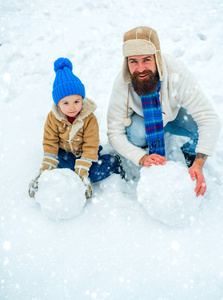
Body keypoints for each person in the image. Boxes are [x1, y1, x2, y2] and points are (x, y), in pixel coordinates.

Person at [107, 26, 221, 197]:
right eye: (133, 61)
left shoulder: (177, 74)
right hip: (142, 120)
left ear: (157, 58)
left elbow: (210, 119)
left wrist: (199, 162)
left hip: (173, 116)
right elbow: (114, 132)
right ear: (126, 62)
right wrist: (141, 157)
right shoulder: (122, 84)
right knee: (137, 134)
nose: (140, 69)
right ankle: (147, 146)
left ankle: (190, 155)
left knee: (198, 126)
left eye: (146, 59)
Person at [29, 57, 122, 199]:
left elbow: (91, 142)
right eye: (65, 103)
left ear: (82, 100)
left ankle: (113, 161)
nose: (72, 107)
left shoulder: (89, 118)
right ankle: (56, 175)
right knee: (61, 172)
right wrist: (48, 165)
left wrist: (84, 165)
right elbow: (50, 141)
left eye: (76, 101)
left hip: (87, 152)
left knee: (94, 174)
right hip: (65, 152)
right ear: (58, 104)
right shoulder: (53, 118)